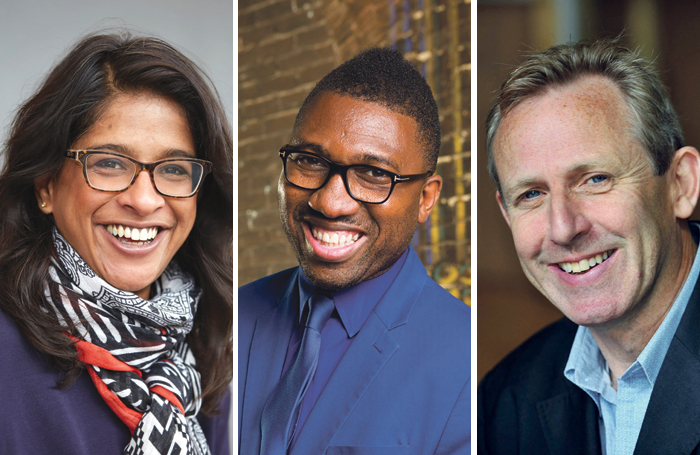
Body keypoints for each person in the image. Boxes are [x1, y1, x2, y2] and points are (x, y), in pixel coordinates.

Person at [0, 32, 233, 455]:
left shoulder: (200, 359)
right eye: (109, 163)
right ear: (45, 185)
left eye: (175, 169)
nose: (144, 200)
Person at [238, 47, 471, 454]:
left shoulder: (465, 366)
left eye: (374, 174)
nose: (330, 202)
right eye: (310, 161)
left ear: (425, 199)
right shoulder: (230, 316)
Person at [478, 38, 700, 455]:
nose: (562, 228)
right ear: (506, 216)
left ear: (680, 184)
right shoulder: (505, 402)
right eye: (531, 195)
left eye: (595, 179)